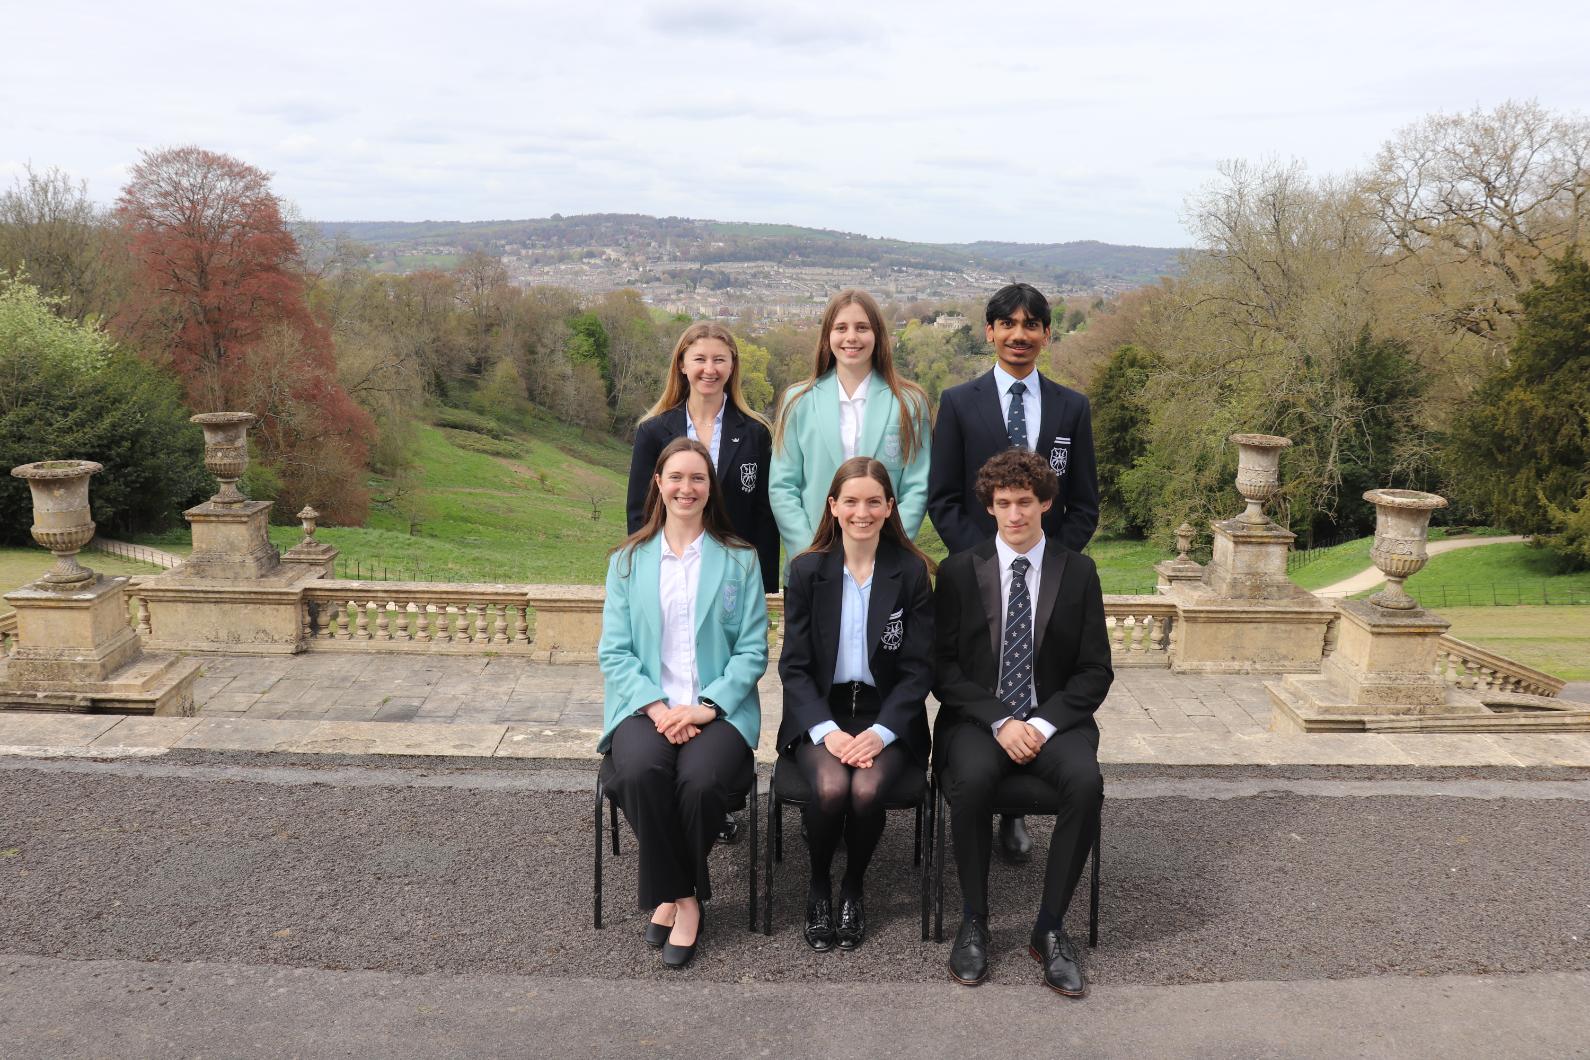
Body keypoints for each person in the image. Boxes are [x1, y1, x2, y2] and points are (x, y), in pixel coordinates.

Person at [927, 282, 1100, 862]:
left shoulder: (1072, 407)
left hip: (1045, 572)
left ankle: (1015, 812)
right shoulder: (958, 402)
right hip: (980, 574)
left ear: (1047, 333)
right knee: (986, 681)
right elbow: (944, 497)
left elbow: (1084, 502)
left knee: (1037, 678)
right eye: (1007, 324)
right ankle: (989, 797)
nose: (1018, 335)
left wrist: (1048, 563)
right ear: (990, 331)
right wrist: (986, 560)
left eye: (1030, 325)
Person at [931, 448, 1112, 998]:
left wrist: (1043, 724)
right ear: (989, 506)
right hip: (978, 719)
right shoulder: (959, 571)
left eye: (1025, 502)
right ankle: (974, 921)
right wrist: (1000, 720)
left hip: (1053, 720)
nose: (1015, 514)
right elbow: (942, 668)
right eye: (1004, 503)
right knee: (972, 780)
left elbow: (1095, 670)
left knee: (1085, 782)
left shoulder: (1078, 572)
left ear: (1046, 504)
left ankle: (1049, 929)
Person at [597, 438, 769, 970]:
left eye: (697, 478)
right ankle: (687, 898)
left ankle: (670, 896)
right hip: (643, 708)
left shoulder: (740, 560)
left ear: (710, 487)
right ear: (658, 483)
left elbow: (753, 650)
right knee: (639, 772)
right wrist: (657, 708)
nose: (686, 488)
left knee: (700, 781)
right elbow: (615, 651)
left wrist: (706, 707)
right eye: (676, 477)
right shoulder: (627, 562)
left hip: (717, 711)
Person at [776, 457, 935, 951]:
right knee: (830, 787)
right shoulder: (806, 571)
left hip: (886, 713)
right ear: (833, 506)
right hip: (821, 712)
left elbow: (918, 669)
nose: (861, 512)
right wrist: (827, 731)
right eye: (851, 501)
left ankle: (853, 886)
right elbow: (794, 667)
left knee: (865, 790)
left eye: (873, 502)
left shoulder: (911, 572)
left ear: (889, 507)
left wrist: (882, 733)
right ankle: (819, 885)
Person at [770, 289, 932, 564]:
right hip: (814, 559)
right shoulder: (797, 401)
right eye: (841, 328)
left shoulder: (910, 403)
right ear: (827, 335)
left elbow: (917, 486)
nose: (852, 337)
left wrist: (889, 550)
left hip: (885, 561)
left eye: (862, 328)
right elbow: (783, 486)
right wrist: (809, 554)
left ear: (877, 334)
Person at [627, 322, 779, 594]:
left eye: (719, 360)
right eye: (700, 359)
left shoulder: (756, 433)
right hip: (670, 575)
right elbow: (640, 512)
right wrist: (644, 574)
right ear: (682, 365)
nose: (710, 369)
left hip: (735, 576)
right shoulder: (653, 432)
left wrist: (763, 586)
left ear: (732, 366)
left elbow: (764, 515)